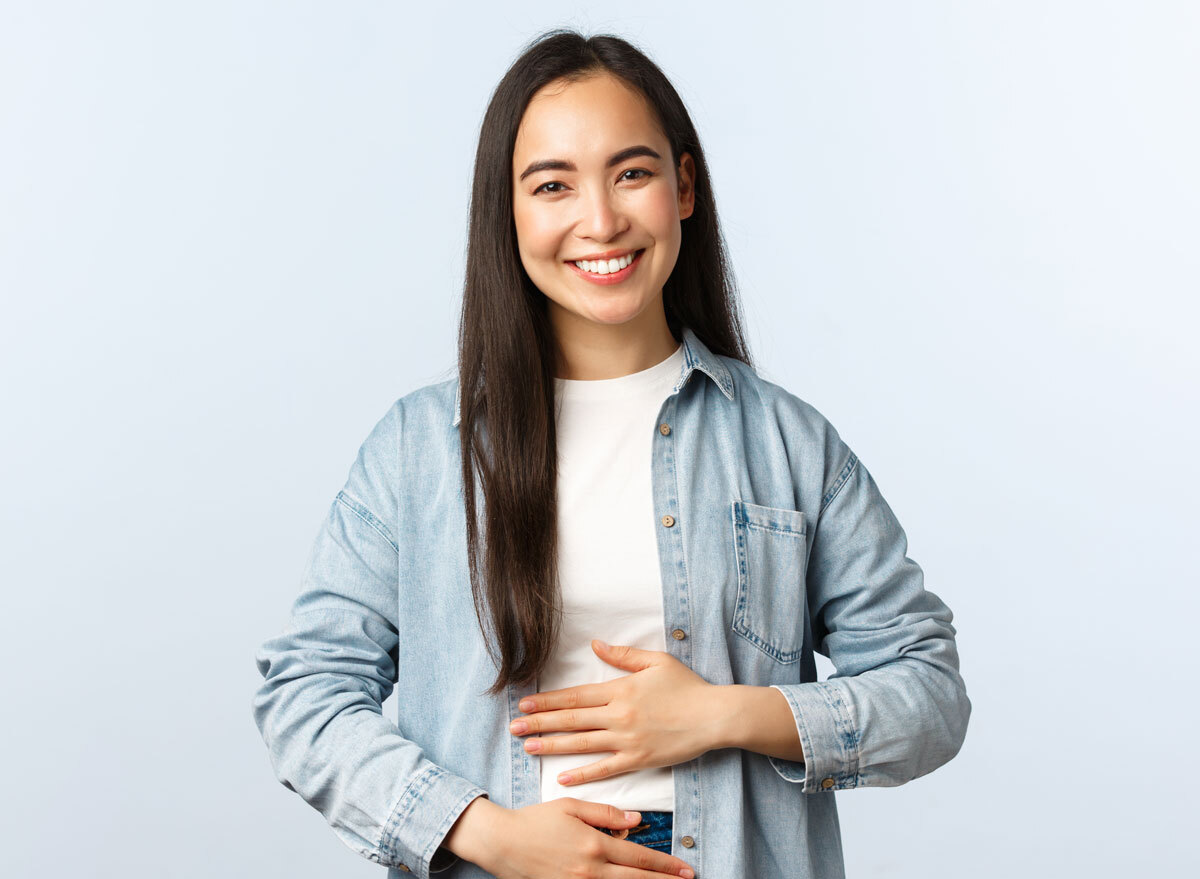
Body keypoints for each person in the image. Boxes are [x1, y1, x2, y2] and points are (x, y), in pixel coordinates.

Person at [251, 28, 970, 879]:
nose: (600, 220)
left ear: (685, 187)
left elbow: (928, 693)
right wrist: (488, 832)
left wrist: (722, 714)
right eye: (553, 185)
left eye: (631, 173)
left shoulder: (789, 444)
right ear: (509, 213)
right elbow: (305, 695)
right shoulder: (418, 451)